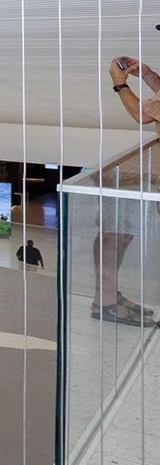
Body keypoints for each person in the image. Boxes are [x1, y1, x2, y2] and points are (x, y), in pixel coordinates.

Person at [93, 56, 160, 323]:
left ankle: (106, 301)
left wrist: (119, 84)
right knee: (117, 234)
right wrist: (148, 75)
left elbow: (143, 115)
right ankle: (106, 298)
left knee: (115, 235)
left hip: (148, 176)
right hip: (149, 175)